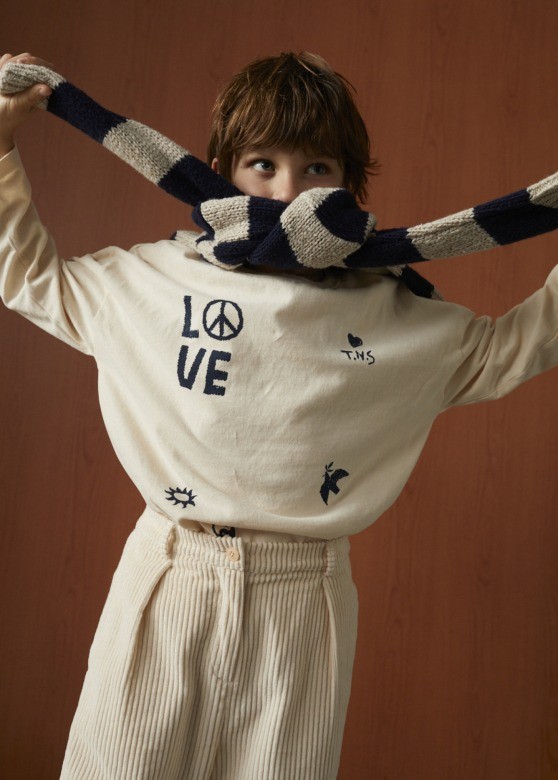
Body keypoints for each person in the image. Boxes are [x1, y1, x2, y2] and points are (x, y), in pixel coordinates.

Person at [1, 50, 557, 780]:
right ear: (220, 171)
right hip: (168, 573)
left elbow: (515, 347)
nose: (289, 192)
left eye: (316, 168)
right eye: (262, 165)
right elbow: (29, 276)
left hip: (305, 597)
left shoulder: (396, 315)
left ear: (349, 185)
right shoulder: (153, 283)